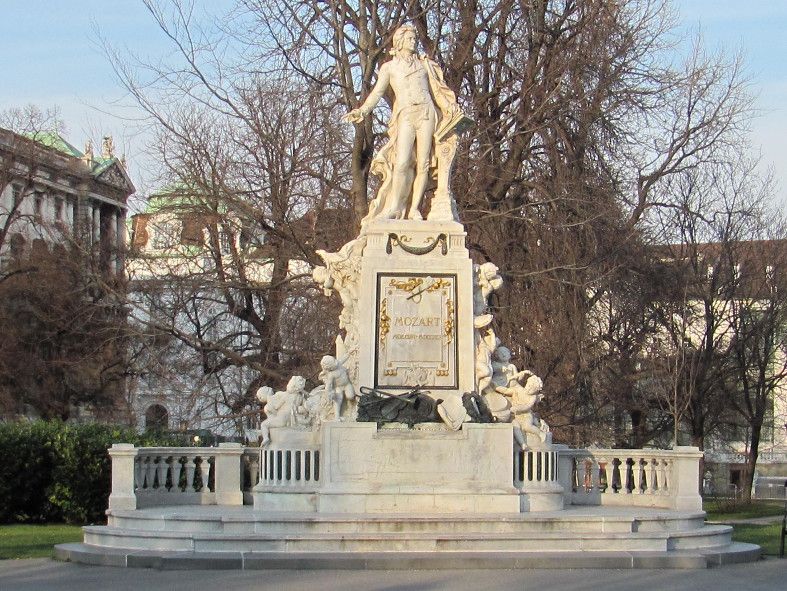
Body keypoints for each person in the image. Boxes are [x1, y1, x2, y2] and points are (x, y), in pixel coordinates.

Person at [344, 24, 462, 223]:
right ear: (399, 42)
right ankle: (395, 208)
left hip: (426, 114)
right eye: (409, 39)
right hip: (406, 115)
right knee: (402, 162)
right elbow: (377, 92)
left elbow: (436, 92)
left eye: (414, 39)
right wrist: (363, 110)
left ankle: (414, 209)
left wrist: (451, 107)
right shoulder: (390, 68)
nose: (413, 42)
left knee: (423, 164)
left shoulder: (424, 65)